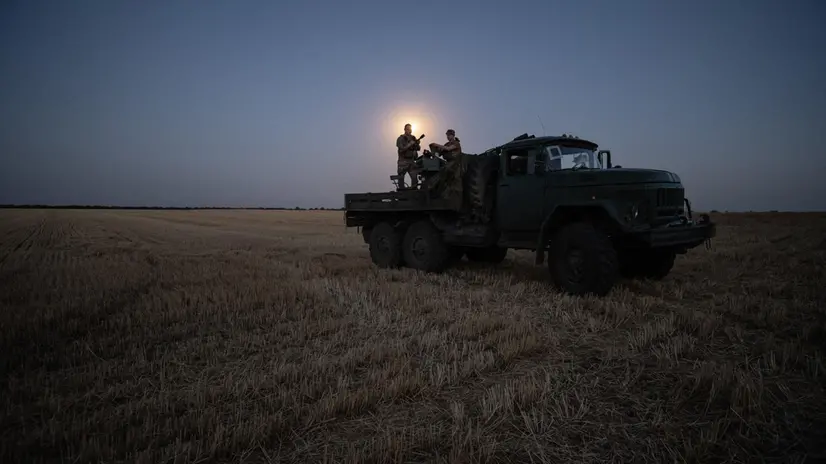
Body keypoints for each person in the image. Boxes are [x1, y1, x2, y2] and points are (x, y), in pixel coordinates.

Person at [396, 123, 421, 188]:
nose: (409, 130)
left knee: (414, 178)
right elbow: (401, 149)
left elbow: (418, 148)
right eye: (408, 129)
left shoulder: (413, 138)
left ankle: (414, 190)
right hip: (403, 162)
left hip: (411, 161)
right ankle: (401, 192)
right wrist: (410, 144)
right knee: (401, 178)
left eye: (410, 129)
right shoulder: (400, 138)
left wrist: (417, 144)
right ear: (404, 129)